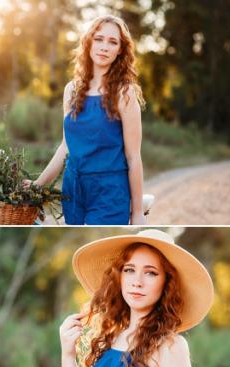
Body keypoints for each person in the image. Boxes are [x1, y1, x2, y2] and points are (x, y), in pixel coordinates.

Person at [60, 229, 214, 367]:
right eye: (129, 270)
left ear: (167, 283)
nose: (137, 282)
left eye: (150, 273)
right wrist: (68, 354)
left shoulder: (171, 348)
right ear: (120, 277)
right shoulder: (109, 339)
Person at [26, 15, 145, 225]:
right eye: (99, 39)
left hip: (109, 191)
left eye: (113, 42)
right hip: (73, 189)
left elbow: (133, 157)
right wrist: (38, 185)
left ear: (120, 50)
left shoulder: (124, 93)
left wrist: (136, 214)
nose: (104, 47)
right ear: (89, 42)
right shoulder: (71, 90)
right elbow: (66, 147)